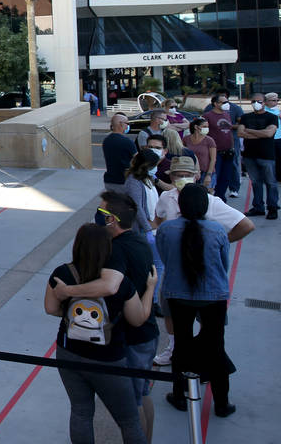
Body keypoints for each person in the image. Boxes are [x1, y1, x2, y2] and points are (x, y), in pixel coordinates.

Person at [51, 192, 160, 441]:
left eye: (101, 212)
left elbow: (110, 286)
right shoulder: (139, 240)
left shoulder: (115, 251)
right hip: (146, 333)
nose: (97, 216)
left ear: (112, 219)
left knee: (131, 411)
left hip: (132, 338)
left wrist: (67, 292)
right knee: (141, 397)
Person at [156, 184, 236, 417]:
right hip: (213, 296)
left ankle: (180, 395)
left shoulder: (167, 229)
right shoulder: (217, 230)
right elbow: (223, 264)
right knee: (216, 346)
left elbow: (165, 258)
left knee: (181, 345)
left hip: (177, 294)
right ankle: (222, 402)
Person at [236, 92, 278, 219]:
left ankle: (272, 208)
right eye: (254, 101)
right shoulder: (245, 117)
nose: (256, 104)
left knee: (271, 183)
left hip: (266, 155)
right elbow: (240, 133)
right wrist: (260, 133)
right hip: (249, 155)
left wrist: (249, 130)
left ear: (264, 103)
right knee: (255, 182)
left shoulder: (272, 117)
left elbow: (269, 134)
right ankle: (258, 207)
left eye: (259, 101)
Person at [201, 92, 238, 199]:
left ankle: (221, 197)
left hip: (228, 150)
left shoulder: (226, 114)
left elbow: (229, 131)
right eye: (223, 102)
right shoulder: (207, 116)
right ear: (216, 104)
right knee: (214, 175)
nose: (227, 104)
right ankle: (213, 197)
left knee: (225, 177)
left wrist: (232, 147)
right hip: (215, 151)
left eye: (227, 101)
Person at [123, 151, 164, 235]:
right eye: (154, 165)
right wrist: (147, 229)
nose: (156, 168)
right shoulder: (133, 182)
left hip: (153, 227)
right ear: (146, 166)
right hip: (143, 229)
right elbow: (137, 207)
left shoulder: (148, 178)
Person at [102, 114, 137, 189]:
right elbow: (138, 159)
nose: (128, 126)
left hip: (109, 180)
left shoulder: (106, 140)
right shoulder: (127, 142)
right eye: (127, 123)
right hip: (123, 181)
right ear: (121, 124)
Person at [182, 118, 217, 191]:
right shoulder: (186, 139)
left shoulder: (209, 140)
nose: (206, 128)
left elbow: (213, 159)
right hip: (191, 172)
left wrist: (209, 175)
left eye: (207, 127)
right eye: (204, 126)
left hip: (206, 172)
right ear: (196, 127)